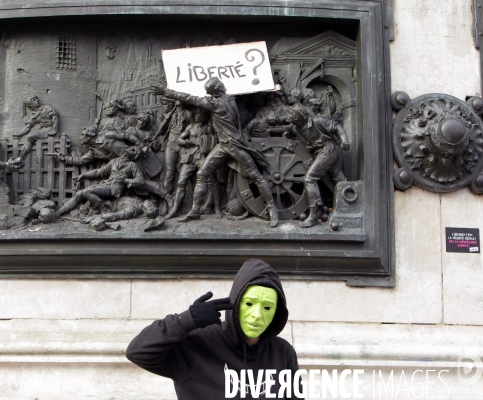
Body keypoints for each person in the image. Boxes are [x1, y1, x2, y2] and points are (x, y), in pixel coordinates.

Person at [126, 259, 302, 399]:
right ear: (236, 301)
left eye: (267, 307)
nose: (257, 315)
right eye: (249, 303)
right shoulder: (198, 344)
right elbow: (138, 352)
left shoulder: (282, 352)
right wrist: (186, 320)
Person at [152, 77, 279, 227]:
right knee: (202, 173)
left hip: (233, 145)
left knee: (256, 176)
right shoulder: (230, 100)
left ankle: (272, 210)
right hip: (223, 145)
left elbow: (190, 98)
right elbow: (190, 99)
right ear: (219, 88)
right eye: (221, 84)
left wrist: (166, 92)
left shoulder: (216, 104)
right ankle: (195, 210)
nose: (224, 85)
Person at [281, 103, 350, 228]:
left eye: (290, 114)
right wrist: (286, 136)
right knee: (339, 180)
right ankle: (349, 207)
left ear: (298, 117)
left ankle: (313, 216)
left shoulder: (317, 121)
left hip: (329, 150)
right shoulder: (296, 128)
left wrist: (344, 140)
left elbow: (337, 126)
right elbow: (285, 129)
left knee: (309, 179)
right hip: (322, 153)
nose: (287, 115)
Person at [13, 96, 59, 164]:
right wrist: (19, 134)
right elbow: (28, 127)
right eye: (33, 100)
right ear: (30, 105)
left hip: (51, 129)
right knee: (29, 138)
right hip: (43, 131)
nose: (36, 101)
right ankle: (21, 158)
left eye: (36, 99)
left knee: (57, 147)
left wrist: (54, 130)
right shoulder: (34, 115)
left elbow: (55, 118)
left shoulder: (47, 107)